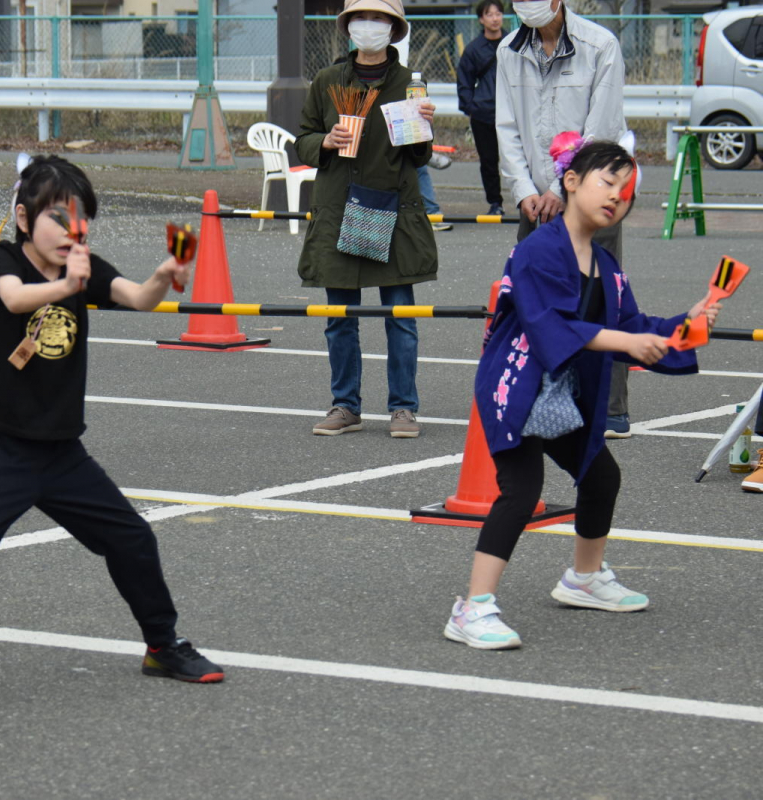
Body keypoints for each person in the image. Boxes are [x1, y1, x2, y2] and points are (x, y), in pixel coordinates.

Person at [0, 156, 224, 702]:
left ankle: (163, 644)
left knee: (131, 538)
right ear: (23, 217)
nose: (71, 231)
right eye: (57, 219)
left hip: (61, 451)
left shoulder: (82, 264)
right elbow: (14, 298)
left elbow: (138, 298)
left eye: (80, 218)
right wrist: (68, 285)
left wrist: (165, 274)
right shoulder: (4, 259)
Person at [444, 137, 721, 650]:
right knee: (522, 490)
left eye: (627, 190)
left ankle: (583, 579)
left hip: (560, 393)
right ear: (571, 182)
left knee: (601, 475)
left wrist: (691, 324)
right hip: (519, 385)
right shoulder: (539, 250)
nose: (618, 196)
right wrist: (631, 340)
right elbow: (554, 324)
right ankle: (472, 608)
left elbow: (636, 325)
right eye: (607, 181)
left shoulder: (608, 268)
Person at [296, 0, 438, 440]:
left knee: (401, 314)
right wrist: (326, 140)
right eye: (361, 17)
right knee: (340, 315)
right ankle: (345, 405)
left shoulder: (411, 83)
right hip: (339, 206)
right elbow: (301, 141)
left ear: (393, 27)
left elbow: (419, 157)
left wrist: (425, 128)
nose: (368, 25)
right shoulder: (327, 81)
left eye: (378, 18)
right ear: (348, 26)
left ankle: (403, 408)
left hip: (393, 207)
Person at [494, 0, 633, 439]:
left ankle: (609, 409)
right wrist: (524, 192)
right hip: (535, 199)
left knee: (597, 300)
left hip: (591, 195)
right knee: (531, 301)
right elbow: (506, 127)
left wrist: (560, 189)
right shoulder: (508, 51)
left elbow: (601, 127)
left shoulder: (600, 45)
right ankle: (535, 398)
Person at [456, 0, 505, 216]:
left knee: (522, 158)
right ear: (481, 19)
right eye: (489, 14)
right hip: (483, 113)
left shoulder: (513, 43)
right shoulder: (474, 49)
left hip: (513, 113)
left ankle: (529, 199)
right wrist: (471, 107)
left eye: (498, 14)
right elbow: (464, 81)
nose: (495, 18)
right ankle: (495, 203)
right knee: (489, 161)